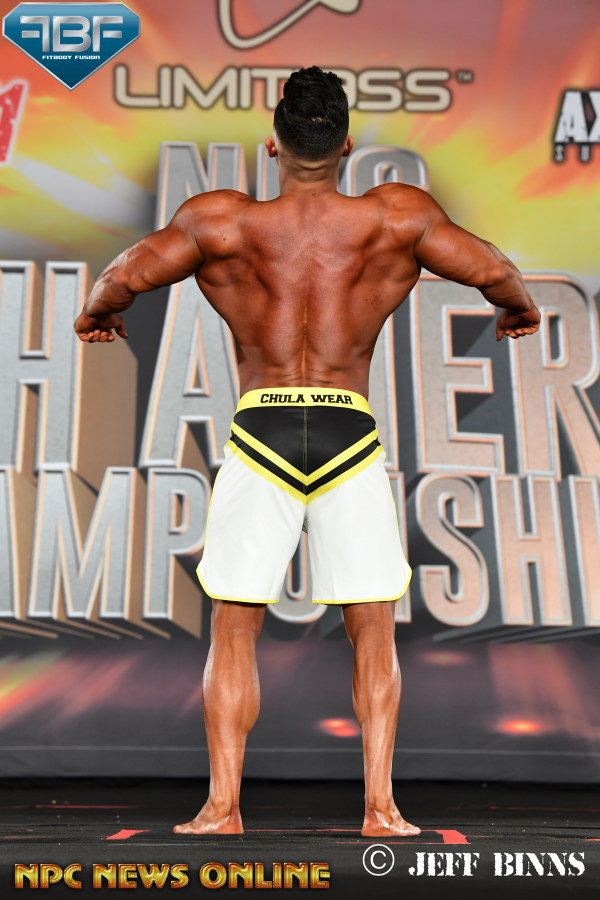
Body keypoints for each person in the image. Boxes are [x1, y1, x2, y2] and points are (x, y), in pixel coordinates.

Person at [74, 66, 540, 838]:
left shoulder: (220, 222)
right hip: (347, 430)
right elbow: (497, 271)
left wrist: (100, 316)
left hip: (261, 429)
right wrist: (515, 310)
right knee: (373, 625)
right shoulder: (396, 217)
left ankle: (222, 808)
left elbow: (121, 277)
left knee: (235, 624)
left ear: (273, 145)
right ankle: (381, 809)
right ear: (347, 146)